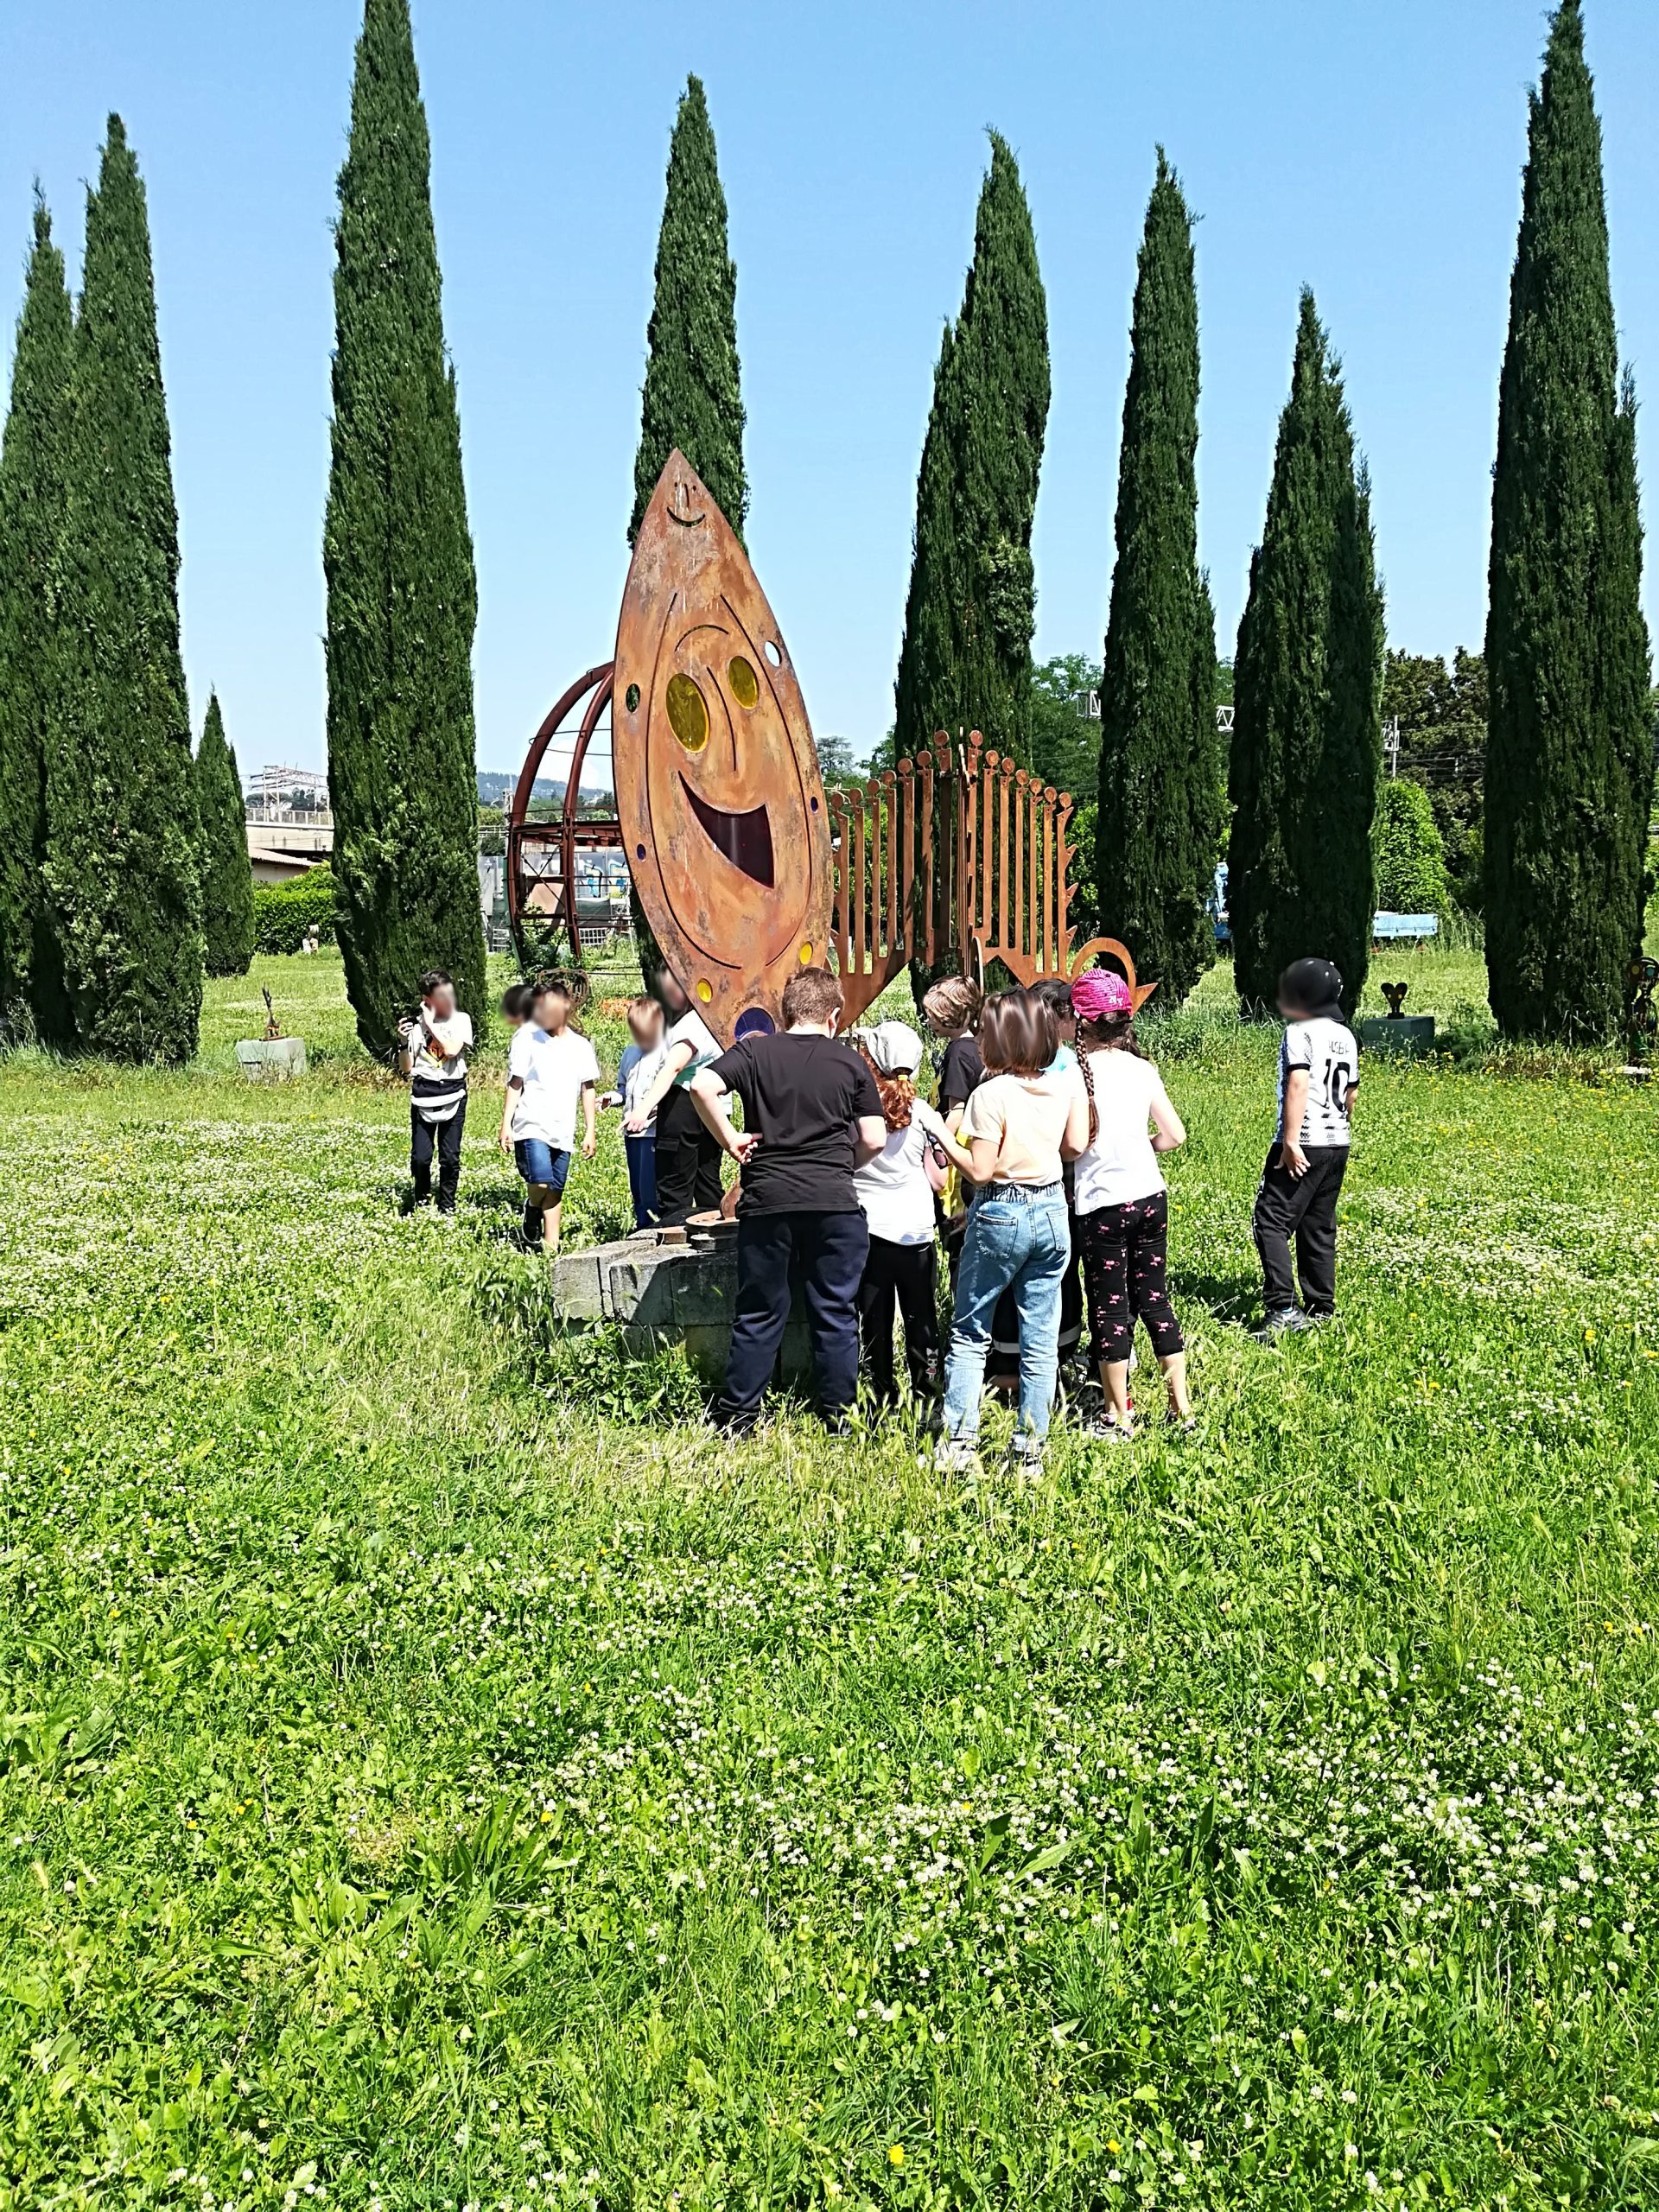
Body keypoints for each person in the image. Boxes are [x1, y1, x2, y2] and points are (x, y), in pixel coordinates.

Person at [688, 967, 886, 1433]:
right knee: (835, 1312)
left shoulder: (755, 1052)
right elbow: (874, 1138)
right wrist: (840, 1166)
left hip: (767, 1200)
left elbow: (701, 1085)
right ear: (834, 1016)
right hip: (833, 1203)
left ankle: (738, 1416)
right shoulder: (849, 1061)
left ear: (785, 1012)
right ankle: (839, 1417)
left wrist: (731, 1139)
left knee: (759, 1311)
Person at [921, 990, 1090, 1470]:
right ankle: (1030, 1450)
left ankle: (959, 1445)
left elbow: (979, 1170)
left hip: (1002, 1210)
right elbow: (1074, 1145)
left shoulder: (989, 1095)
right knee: (1040, 1336)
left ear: (999, 1039)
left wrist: (937, 1129)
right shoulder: (1063, 1084)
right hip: (1053, 1208)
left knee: (971, 1330)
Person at [1071, 968, 1192, 1437]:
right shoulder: (1143, 1068)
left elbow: (1074, 1146)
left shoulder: (1074, 1072)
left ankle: (1118, 1413)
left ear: (1081, 1021)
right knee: (1155, 1298)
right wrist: (1140, 1147)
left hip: (1102, 1205)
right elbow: (1174, 1135)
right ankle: (1181, 1406)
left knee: (1110, 1307)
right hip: (1150, 1197)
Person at [1253, 956, 1359, 1336]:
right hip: (1337, 1142)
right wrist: (1340, 1126)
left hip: (1305, 1141)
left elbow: (1298, 1083)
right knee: (1318, 1225)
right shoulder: (1346, 1035)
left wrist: (1290, 1141)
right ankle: (1321, 1308)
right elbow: (1351, 1094)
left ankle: (1283, 1308)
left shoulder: (1299, 1032)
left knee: (1270, 1221)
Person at [851, 1021, 945, 1414]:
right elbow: (938, 1180)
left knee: (874, 1323)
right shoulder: (922, 1112)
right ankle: (929, 1400)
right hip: (916, 1231)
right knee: (922, 1319)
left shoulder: (858, 1108)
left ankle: (879, 1402)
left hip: (870, 1229)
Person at [498, 977, 598, 1256]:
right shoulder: (527, 1037)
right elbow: (515, 1083)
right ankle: (532, 1208)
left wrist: (590, 1129)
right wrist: (506, 1124)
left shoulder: (581, 1046)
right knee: (541, 1181)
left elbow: (588, 1088)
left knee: (555, 1190)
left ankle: (551, 1251)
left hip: (563, 1129)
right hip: (531, 1124)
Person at [626, 972, 725, 1225]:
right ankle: (716, 1239)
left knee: (675, 1188)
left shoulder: (692, 1024)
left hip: (684, 1108)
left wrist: (643, 1108)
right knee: (707, 1184)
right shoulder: (715, 1019)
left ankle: (675, 1238)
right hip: (714, 1108)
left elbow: (674, 1067)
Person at [921, 976, 986, 1286]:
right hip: (969, 1156)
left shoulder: (959, 1052)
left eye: (934, 1015)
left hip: (955, 1164)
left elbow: (955, 1113)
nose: (930, 1021)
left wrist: (934, 1148)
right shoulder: (974, 1049)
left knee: (957, 1244)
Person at [399, 970, 473, 1217]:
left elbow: (451, 1051)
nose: (449, 998)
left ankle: (447, 1205)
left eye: (450, 992)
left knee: (450, 1157)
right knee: (420, 1158)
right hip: (423, 1094)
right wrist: (403, 1041)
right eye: (442, 995)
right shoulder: (415, 1026)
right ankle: (421, 1201)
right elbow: (406, 1068)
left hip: (453, 1093)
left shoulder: (461, 1020)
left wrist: (430, 1024)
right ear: (427, 999)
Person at [614, 995, 668, 1229]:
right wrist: (612, 1098)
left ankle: (651, 1227)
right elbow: (623, 1089)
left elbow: (665, 1094)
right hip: (631, 1133)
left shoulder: (665, 1054)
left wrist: (648, 1113)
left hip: (652, 1132)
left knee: (649, 1187)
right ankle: (640, 1224)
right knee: (636, 1185)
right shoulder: (630, 1053)